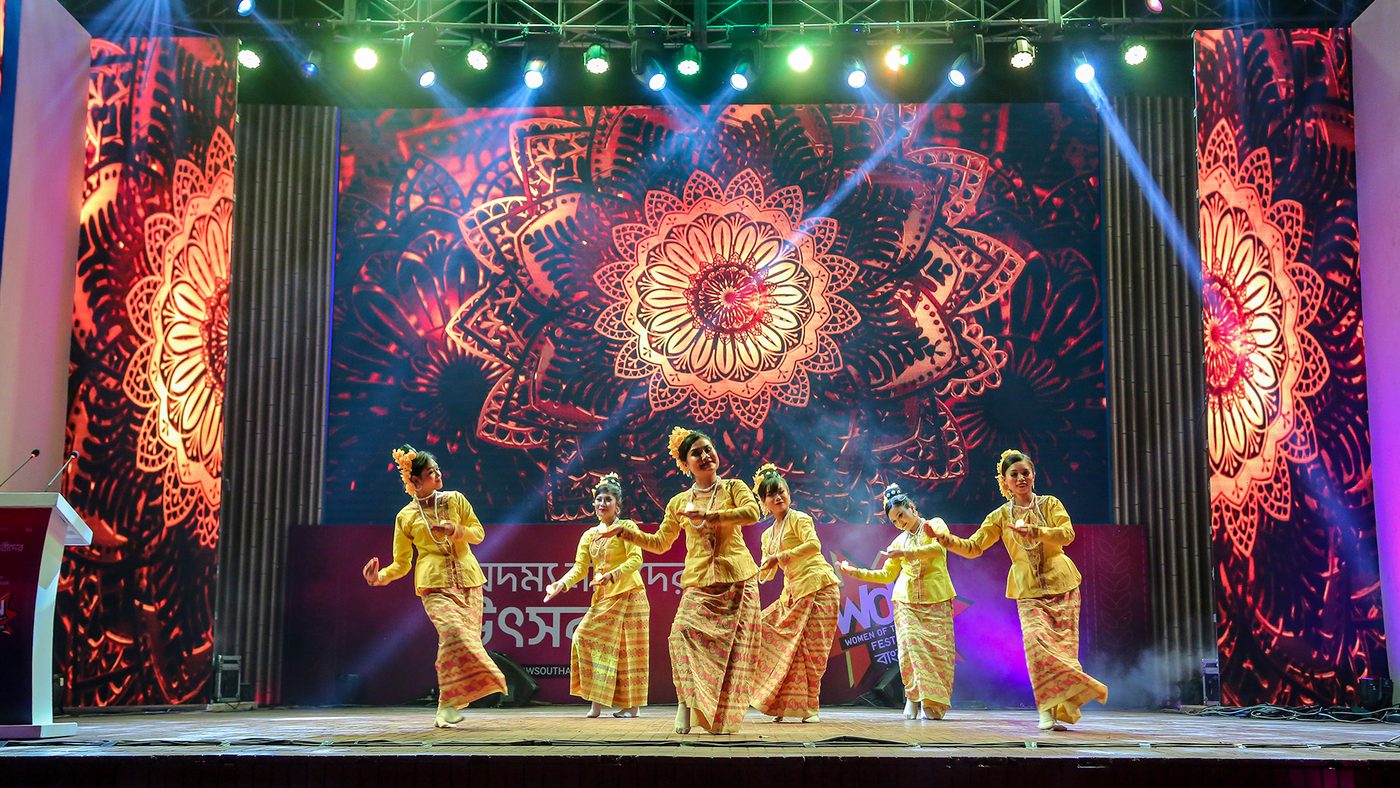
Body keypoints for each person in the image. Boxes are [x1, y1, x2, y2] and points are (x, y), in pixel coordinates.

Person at [597, 427, 762, 734]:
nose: (704, 455)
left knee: (733, 653)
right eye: (696, 453)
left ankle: (718, 717)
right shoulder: (678, 503)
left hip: (739, 580)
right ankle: (685, 704)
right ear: (685, 465)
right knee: (680, 634)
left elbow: (752, 512)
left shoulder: (734, 488)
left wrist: (711, 516)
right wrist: (625, 532)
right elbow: (660, 542)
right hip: (699, 581)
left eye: (707, 448)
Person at [930, 449, 1108, 731]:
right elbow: (974, 547)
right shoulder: (1000, 516)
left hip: (1062, 583)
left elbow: (1067, 534)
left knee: (1063, 650)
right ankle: (1047, 709)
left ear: (1033, 476)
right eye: (1014, 474)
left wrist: (1037, 532)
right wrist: (945, 540)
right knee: (1036, 645)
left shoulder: (1050, 504)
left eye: (1025, 473)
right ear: (1005, 482)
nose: (1021, 478)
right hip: (1028, 590)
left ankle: (1059, 706)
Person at [361, 445, 507, 729]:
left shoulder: (455, 500)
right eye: (430, 472)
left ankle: (446, 707)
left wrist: (456, 530)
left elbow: (478, 533)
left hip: (469, 582)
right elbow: (401, 563)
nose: (438, 474)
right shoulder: (405, 517)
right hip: (434, 585)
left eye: (437, 469)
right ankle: (488, 677)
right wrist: (380, 578)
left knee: (455, 643)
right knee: (453, 633)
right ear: (415, 481)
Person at [838, 483, 958, 721]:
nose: (899, 522)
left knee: (937, 652)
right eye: (894, 521)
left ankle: (931, 703)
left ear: (912, 507)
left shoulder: (934, 525)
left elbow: (938, 549)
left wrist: (906, 555)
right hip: (906, 602)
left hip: (937, 597)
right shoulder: (897, 544)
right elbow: (886, 575)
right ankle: (913, 697)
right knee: (911, 650)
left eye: (901, 515)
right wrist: (854, 572)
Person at [544, 473, 649, 718]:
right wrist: (561, 584)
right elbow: (580, 568)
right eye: (599, 499)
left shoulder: (627, 528)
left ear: (618, 505)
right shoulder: (589, 535)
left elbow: (636, 559)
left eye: (608, 500)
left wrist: (612, 575)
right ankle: (597, 703)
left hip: (630, 595)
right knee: (584, 637)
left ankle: (631, 707)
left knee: (627, 651)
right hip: (603, 599)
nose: (602, 504)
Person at [749, 463, 841, 723]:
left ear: (789, 493)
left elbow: (814, 545)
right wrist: (754, 572)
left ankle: (809, 707)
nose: (778, 497)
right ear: (764, 501)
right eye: (771, 494)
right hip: (792, 594)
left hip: (820, 588)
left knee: (811, 651)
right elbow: (767, 571)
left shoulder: (799, 519)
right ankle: (783, 704)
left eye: (781, 491)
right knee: (769, 636)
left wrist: (780, 556)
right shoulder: (767, 535)